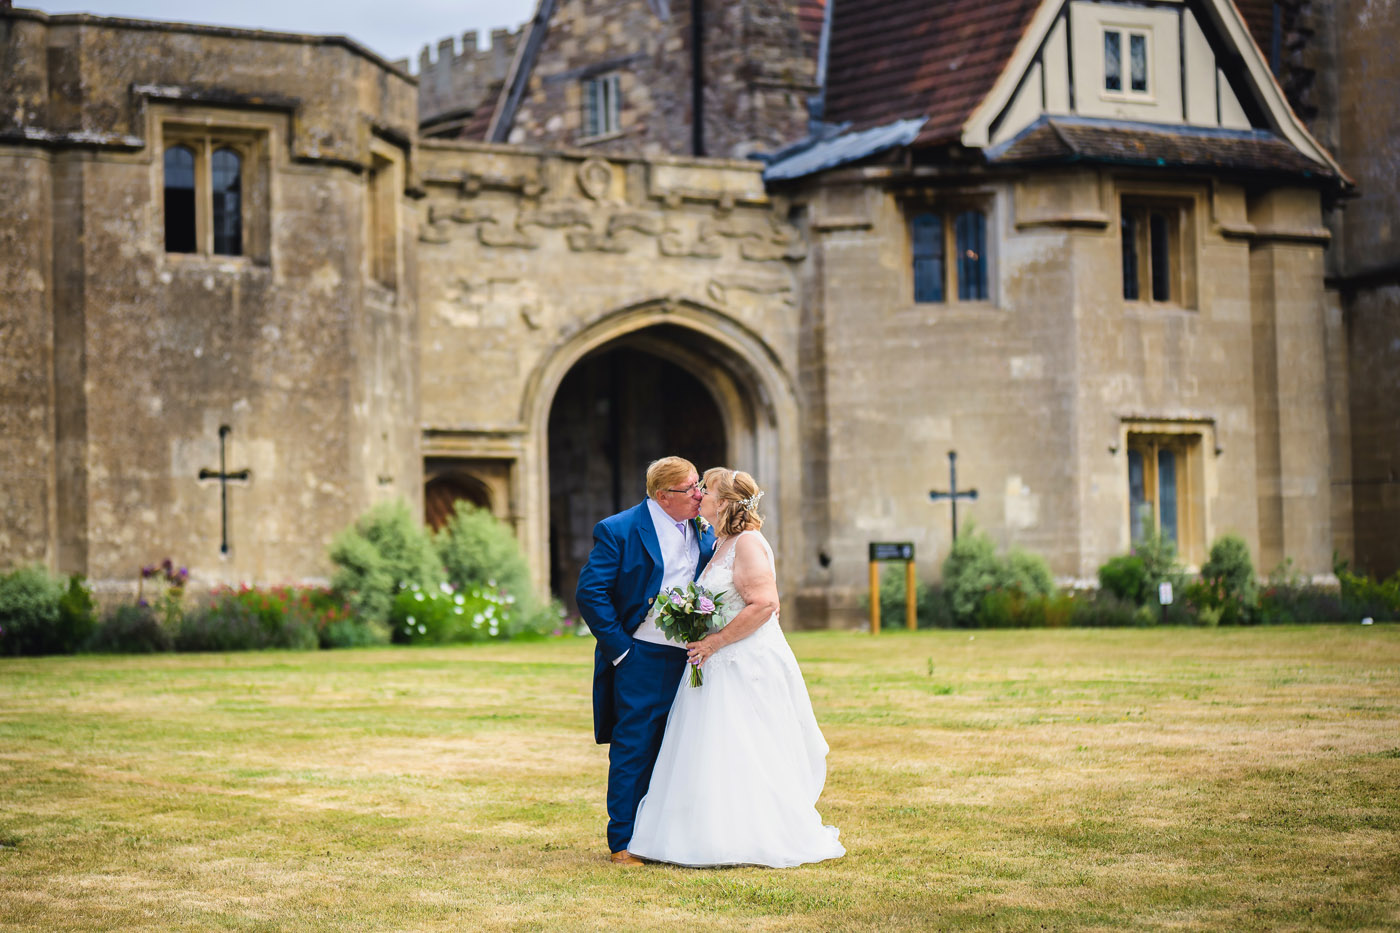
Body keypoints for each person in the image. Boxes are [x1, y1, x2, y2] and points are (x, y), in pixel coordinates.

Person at [627, 468, 844, 868]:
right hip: (715, 662)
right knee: (711, 746)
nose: (698, 496)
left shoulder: (747, 543)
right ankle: (701, 834)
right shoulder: (721, 542)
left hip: (744, 660)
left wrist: (714, 642)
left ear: (723, 503)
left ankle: (752, 836)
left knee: (746, 744)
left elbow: (764, 605)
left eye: (704, 491)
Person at [575, 456, 716, 866]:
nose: (699, 495)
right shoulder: (619, 529)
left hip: (695, 656)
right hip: (643, 655)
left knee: (684, 746)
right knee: (634, 746)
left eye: (699, 486)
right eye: (690, 488)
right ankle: (623, 842)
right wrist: (623, 650)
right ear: (661, 496)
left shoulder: (702, 527)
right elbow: (591, 593)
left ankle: (670, 837)